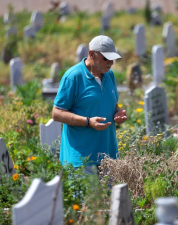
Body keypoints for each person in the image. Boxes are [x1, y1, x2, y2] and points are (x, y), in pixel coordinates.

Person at [52, 35, 127, 173]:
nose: (111, 62)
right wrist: (88, 122)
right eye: (106, 58)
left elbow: (112, 103)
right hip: (81, 160)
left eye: (113, 58)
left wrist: (118, 113)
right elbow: (57, 114)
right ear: (91, 54)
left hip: (108, 156)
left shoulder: (109, 75)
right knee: (87, 196)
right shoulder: (73, 77)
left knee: (110, 195)